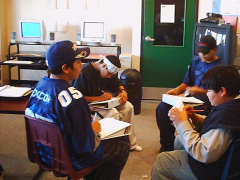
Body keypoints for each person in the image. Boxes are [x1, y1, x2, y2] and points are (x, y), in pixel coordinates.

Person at [25, 40, 130, 180]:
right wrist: (94, 129)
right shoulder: (74, 98)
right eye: (78, 62)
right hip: (68, 160)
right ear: (65, 68)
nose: (82, 65)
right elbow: (85, 145)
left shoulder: (38, 87)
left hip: (44, 154)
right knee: (122, 142)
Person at [152, 65, 240, 180]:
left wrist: (182, 122)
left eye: (208, 90)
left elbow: (205, 153)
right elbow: (213, 127)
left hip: (212, 170)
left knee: (162, 161)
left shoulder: (226, 117)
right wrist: (194, 118)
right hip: (219, 160)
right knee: (179, 140)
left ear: (222, 91)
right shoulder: (231, 107)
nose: (207, 94)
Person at [156, 35, 224, 152]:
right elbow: (187, 82)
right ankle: (167, 144)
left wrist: (200, 91)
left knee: (182, 112)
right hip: (190, 98)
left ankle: (189, 142)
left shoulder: (220, 68)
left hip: (207, 102)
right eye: (200, 53)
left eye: (206, 53)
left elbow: (219, 93)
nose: (202, 56)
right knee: (162, 107)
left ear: (215, 50)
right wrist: (176, 90)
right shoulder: (196, 61)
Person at [73, 55, 142, 151]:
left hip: (102, 102)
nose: (109, 76)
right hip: (88, 106)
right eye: (109, 73)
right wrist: (99, 98)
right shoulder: (84, 72)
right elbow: (77, 98)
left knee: (128, 106)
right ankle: (112, 147)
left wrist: (123, 91)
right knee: (113, 112)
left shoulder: (106, 72)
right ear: (104, 65)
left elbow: (116, 82)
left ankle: (131, 144)